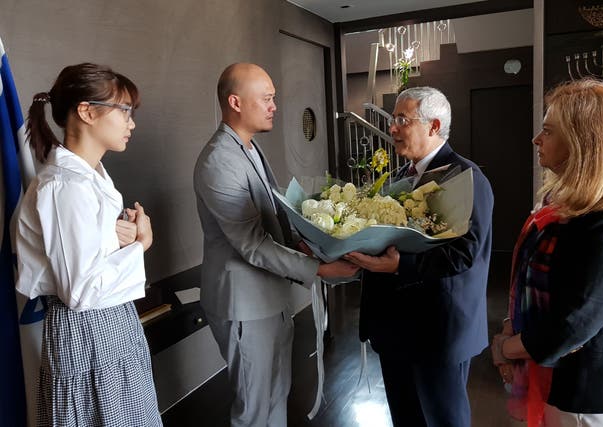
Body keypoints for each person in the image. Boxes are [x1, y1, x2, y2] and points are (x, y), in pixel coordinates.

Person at [193, 62, 358, 427]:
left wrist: (308, 242)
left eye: (274, 98)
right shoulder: (220, 160)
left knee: (276, 393)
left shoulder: (249, 149)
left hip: (269, 295)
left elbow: (272, 217)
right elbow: (251, 243)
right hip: (244, 302)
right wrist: (319, 268)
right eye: (266, 98)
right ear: (235, 102)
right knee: (253, 406)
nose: (273, 106)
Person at [14, 63, 161, 426]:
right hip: (87, 334)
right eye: (125, 111)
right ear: (87, 111)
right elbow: (80, 290)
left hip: (111, 325)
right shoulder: (65, 186)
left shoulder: (87, 177)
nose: (131, 123)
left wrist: (116, 237)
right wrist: (139, 244)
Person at [491, 78, 603, 427]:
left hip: (589, 391)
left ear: (585, 143)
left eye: (548, 131)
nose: (536, 140)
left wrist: (505, 347)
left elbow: (573, 325)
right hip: (557, 377)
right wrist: (510, 329)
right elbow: (533, 284)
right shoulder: (561, 204)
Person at [344, 86, 494, 427]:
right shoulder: (398, 179)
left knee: (442, 420)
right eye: (393, 119)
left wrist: (402, 265)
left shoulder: (464, 177)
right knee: (406, 417)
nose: (392, 128)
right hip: (394, 330)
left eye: (401, 119)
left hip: (436, 332)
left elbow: (465, 252)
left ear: (434, 126)